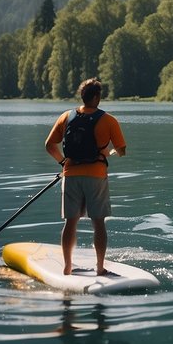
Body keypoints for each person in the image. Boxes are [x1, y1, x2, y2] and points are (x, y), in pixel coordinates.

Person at [45, 78, 126, 275]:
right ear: (97, 97)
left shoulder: (66, 117)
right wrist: (109, 152)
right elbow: (121, 150)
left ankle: (67, 267)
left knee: (70, 222)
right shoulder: (108, 120)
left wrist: (64, 162)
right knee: (98, 222)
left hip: (70, 175)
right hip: (96, 176)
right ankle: (99, 268)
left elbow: (49, 145)